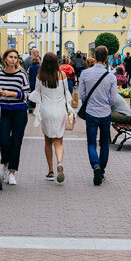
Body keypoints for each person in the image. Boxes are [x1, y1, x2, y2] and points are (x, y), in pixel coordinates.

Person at [30, 52, 74, 183]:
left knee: (48, 142)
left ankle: (50, 171)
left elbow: (36, 93)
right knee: (59, 142)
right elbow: (67, 93)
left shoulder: (40, 76)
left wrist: (35, 107)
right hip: (60, 110)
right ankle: (59, 162)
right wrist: (70, 108)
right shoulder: (62, 75)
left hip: (46, 111)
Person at [77, 45, 117, 186]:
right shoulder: (111, 76)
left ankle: (96, 166)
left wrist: (89, 102)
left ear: (94, 57)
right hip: (105, 113)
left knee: (92, 143)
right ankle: (103, 170)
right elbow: (113, 99)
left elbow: (81, 94)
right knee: (104, 143)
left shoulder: (85, 74)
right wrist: (105, 104)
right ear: (107, 58)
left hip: (91, 113)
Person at [0, 48, 30, 185]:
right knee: (4, 140)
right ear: (5, 59)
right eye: (10, 57)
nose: (13, 60)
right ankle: (5, 162)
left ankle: (12, 172)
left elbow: (27, 95)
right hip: (4, 110)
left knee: (16, 141)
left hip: (19, 111)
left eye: (15, 57)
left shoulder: (21, 75)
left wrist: (12, 94)